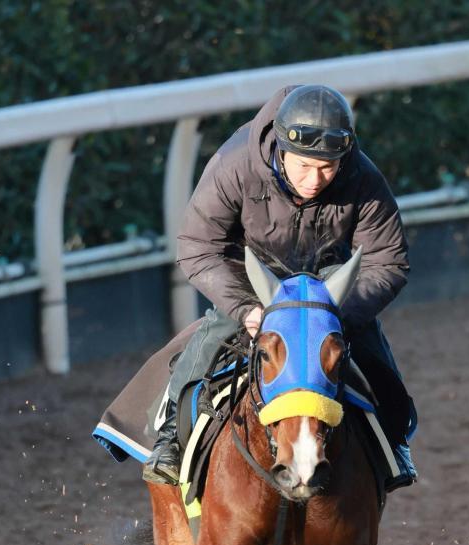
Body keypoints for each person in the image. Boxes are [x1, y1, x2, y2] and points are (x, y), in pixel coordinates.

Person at [141, 83, 416, 491]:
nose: (315, 179)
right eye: (303, 166)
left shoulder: (364, 178)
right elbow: (198, 247)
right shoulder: (234, 165)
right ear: (280, 150)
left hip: (326, 291)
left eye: (327, 168)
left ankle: (394, 440)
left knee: (378, 365)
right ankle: (170, 442)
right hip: (252, 284)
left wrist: (336, 312)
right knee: (211, 341)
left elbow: (389, 261)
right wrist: (246, 310)